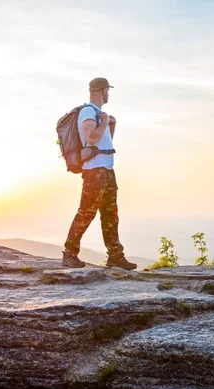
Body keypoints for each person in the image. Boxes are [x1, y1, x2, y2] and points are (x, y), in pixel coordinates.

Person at [62, 77, 137, 270]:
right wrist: (104, 121)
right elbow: (91, 137)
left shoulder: (96, 113)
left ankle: (115, 256)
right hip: (95, 171)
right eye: (108, 91)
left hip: (106, 170)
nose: (109, 95)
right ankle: (69, 254)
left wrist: (110, 126)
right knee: (86, 212)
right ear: (103, 91)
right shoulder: (88, 111)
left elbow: (103, 140)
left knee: (110, 213)